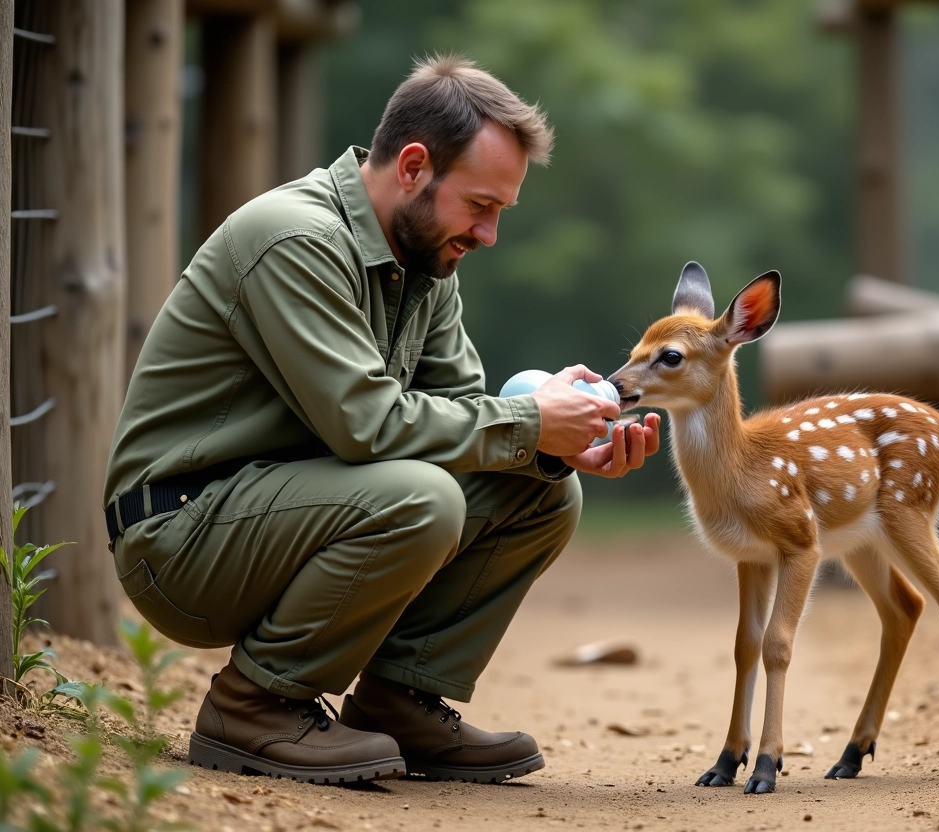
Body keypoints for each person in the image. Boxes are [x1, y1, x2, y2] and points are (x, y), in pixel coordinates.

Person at [103, 55, 661, 786]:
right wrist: (527, 422)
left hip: (286, 510)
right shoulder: (294, 238)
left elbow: (462, 416)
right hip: (181, 536)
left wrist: (558, 444)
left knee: (541, 490)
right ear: (413, 166)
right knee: (421, 499)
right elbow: (364, 426)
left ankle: (399, 697)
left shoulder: (425, 262)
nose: (489, 234)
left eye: (500, 213)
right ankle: (252, 705)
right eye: (480, 205)